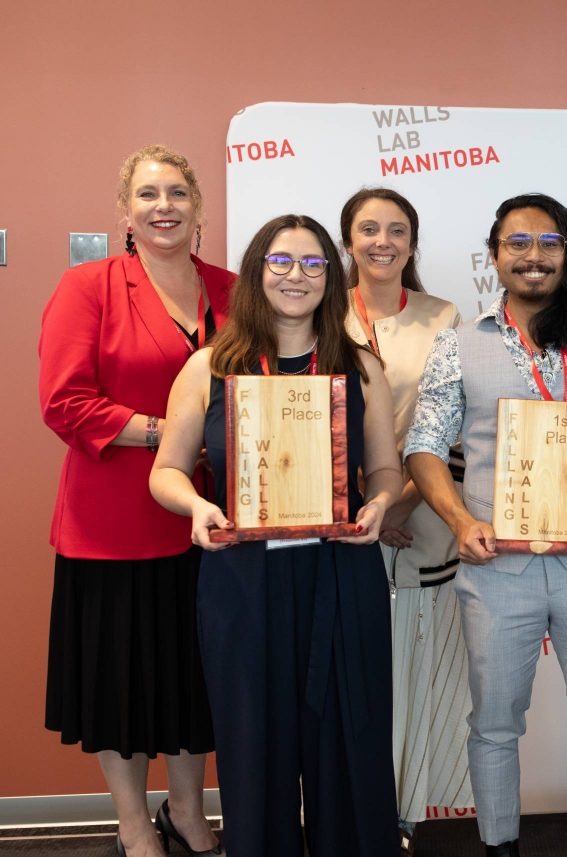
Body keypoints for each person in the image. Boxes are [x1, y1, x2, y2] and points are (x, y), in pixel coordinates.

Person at [405, 193, 567, 857]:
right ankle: (499, 845)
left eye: (548, 242)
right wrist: (459, 521)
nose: (533, 255)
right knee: (494, 721)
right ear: (495, 255)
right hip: (495, 568)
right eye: (518, 242)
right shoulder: (459, 345)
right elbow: (424, 445)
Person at [149, 214, 403, 856]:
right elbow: (166, 472)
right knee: (252, 746)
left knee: (350, 739)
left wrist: (378, 507)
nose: (297, 276)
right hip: (243, 579)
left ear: (332, 276)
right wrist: (196, 509)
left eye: (314, 264)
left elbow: (385, 471)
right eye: (282, 262)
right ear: (257, 272)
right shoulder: (210, 366)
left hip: (341, 575)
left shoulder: (360, 367)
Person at [39, 144, 229, 857]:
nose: (164, 207)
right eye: (148, 194)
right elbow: (65, 401)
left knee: (193, 677)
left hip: (211, 521)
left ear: (198, 206)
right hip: (112, 523)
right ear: (125, 210)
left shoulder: (234, 288)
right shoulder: (89, 285)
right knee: (119, 683)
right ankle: (130, 820)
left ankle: (186, 809)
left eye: (177, 193)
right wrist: (168, 435)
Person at [340, 187, 471, 853]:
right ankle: (351, 804)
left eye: (396, 229)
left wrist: (402, 500)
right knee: (349, 667)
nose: (382, 241)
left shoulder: (443, 316)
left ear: (413, 243)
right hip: (337, 525)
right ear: (348, 240)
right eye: (368, 228)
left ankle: (403, 814)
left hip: (420, 517)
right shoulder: (319, 311)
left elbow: (454, 423)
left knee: (411, 667)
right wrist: (359, 505)